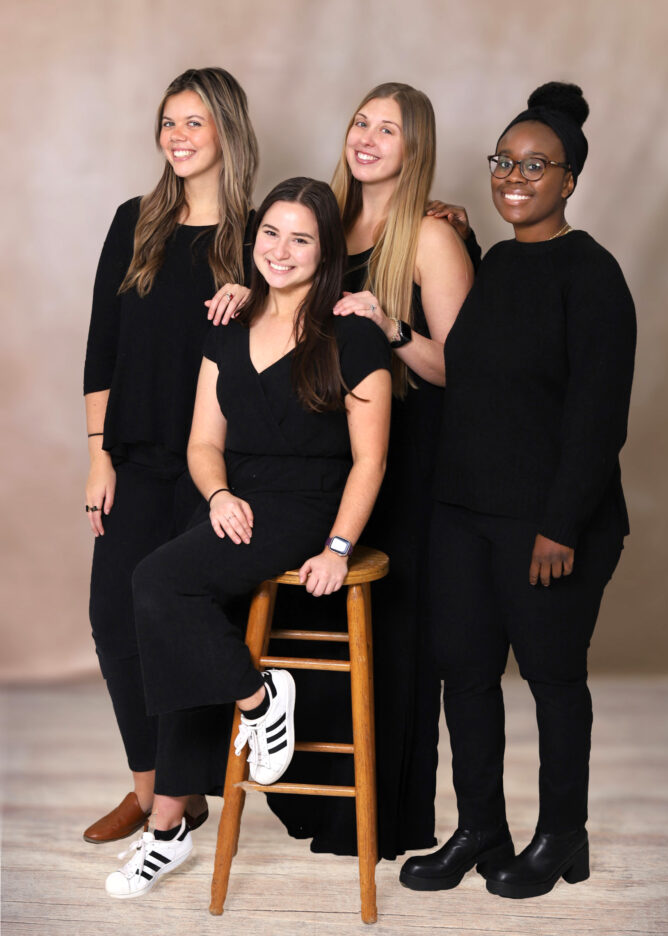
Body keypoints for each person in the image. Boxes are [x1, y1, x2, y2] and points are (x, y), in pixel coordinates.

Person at [102, 177, 392, 898]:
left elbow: (370, 459)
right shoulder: (227, 324)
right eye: (271, 233)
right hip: (236, 501)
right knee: (164, 605)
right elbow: (204, 442)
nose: (280, 250)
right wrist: (220, 493)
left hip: (304, 506)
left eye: (301, 238)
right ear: (253, 238)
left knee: (156, 583)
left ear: (325, 252)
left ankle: (250, 711)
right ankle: (181, 808)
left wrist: (337, 546)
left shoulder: (350, 332)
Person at [400, 82, 637, 898]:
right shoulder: (497, 261)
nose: (514, 176)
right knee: (463, 674)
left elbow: (597, 419)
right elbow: (467, 369)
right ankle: (479, 829)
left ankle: (559, 837)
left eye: (536, 166)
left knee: (550, 678)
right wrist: (454, 244)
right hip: (463, 512)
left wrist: (560, 525)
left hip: (546, 521)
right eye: (504, 161)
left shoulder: (593, 276)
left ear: (569, 180)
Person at [240, 82, 476, 859]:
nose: (368, 138)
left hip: (406, 462)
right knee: (308, 625)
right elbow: (285, 302)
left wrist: (390, 323)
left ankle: (383, 820)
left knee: (392, 637)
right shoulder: (324, 225)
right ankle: (317, 806)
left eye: (390, 129)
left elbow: (461, 370)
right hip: (326, 459)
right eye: (360, 122)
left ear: (416, 149)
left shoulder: (432, 237)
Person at [82, 67, 257, 844]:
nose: (177, 137)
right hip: (137, 455)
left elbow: (308, 312)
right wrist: (98, 456)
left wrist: (257, 297)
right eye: (168, 122)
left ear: (227, 130)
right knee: (113, 620)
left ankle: (172, 805)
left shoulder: (259, 235)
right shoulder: (135, 221)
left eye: (194, 122)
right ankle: (155, 788)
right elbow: (102, 349)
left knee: (182, 620)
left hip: (218, 465)